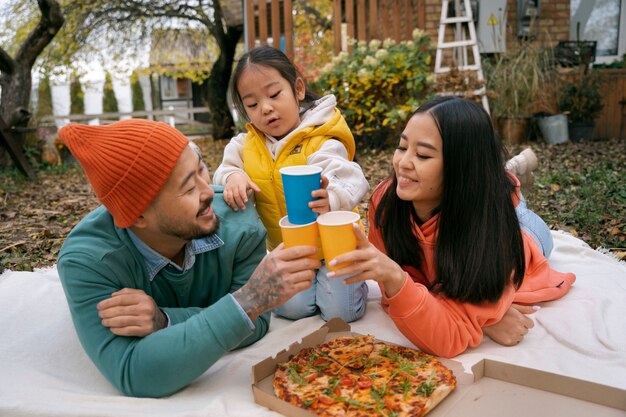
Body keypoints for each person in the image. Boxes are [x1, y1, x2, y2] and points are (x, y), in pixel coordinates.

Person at [56, 119, 320, 398]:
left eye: (201, 170)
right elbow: (137, 372)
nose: (209, 192)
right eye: (188, 188)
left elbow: (258, 324)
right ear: (138, 216)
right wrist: (247, 300)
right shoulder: (88, 262)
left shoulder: (238, 221)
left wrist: (164, 320)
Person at [325, 96, 576, 358]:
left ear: (461, 168)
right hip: (467, 195)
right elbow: (404, 297)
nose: (402, 163)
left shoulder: (491, 236)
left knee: (517, 211)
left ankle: (504, 178)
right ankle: (504, 170)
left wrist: (481, 316)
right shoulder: (386, 201)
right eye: (402, 147)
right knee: (495, 185)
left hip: (527, 235)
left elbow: (449, 337)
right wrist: (484, 319)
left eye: (422, 154)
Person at [213, 45, 370, 323]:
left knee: (341, 315)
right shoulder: (246, 145)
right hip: (290, 249)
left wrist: (330, 196)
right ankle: (315, 288)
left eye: (274, 95)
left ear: (298, 89)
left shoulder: (320, 137)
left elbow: (351, 179)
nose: (266, 108)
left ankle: (353, 283)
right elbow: (225, 169)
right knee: (291, 310)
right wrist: (233, 177)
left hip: (335, 247)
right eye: (252, 104)